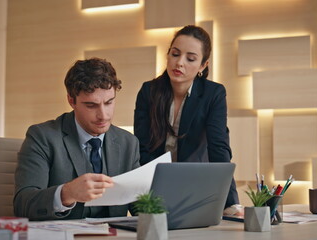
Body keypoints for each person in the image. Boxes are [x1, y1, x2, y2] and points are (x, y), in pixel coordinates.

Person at [134, 25, 242, 215]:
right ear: (168, 55)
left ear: (203, 65)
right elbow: (142, 148)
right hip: (154, 185)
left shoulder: (213, 94)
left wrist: (231, 203)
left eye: (190, 58)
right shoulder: (148, 91)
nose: (179, 63)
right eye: (175, 54)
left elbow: (219, 148)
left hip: (195, 188)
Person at [14, 58, 140, 220]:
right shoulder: (42, 137)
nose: (103, 115)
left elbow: (140, 204)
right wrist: (67, 193)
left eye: (109, 102)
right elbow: (22, 205)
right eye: (91, 105)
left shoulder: (128, 143)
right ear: (71, 101)